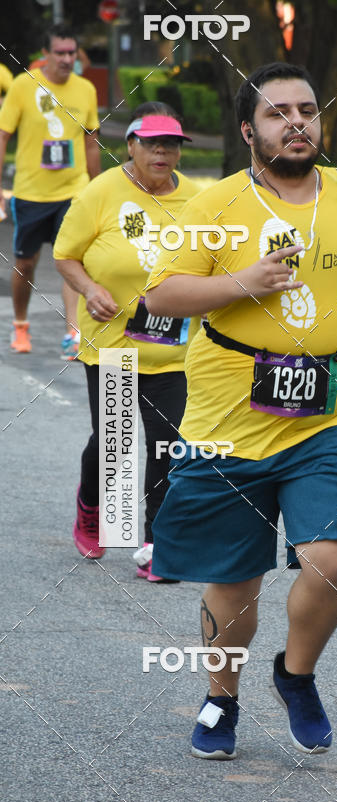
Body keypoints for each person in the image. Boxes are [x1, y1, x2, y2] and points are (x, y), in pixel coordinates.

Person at [145, 62, 337, 759]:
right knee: (235, 582)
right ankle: (221, 698)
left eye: (307, 110)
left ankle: (296, 675)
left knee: (331, 559)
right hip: (229, 422)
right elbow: (160, 295)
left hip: (326, 416)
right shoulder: (215, 205)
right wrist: (244, 282)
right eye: (278, 113)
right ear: (249, 131)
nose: (297, 123)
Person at [54, 104, 200, 579]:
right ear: (131, 145)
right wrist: (90, 289)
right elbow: (66, 255)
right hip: (114, 344)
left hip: (174, 347)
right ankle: (92, 507)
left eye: (171, 144)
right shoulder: (101, 192)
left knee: (167, 444)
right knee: (113, 441)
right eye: (152, 143)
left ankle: (158, 543)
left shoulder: (200, 201)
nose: (162, 152)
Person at [0, 24, 100, 357]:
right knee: (25, 264)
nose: (66, 59)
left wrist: (97, 187)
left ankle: (74, 332)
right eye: (60, 53)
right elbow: (3, 135)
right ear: (45, 54)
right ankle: (20, 324)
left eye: (72, 52)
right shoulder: (23, 85)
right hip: (31, 193)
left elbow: (91, 141)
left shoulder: (85, 89)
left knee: (72, 261)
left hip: (73, 191)